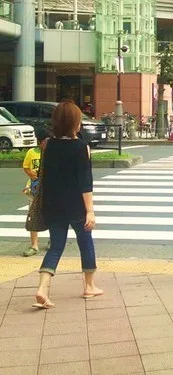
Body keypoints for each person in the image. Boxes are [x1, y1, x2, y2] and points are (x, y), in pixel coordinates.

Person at [33, 101, 101, 309]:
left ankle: (42, 288)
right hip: (76, 206)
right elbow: (84, 181)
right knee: (85, 241)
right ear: (74, 123)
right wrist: (90, 211)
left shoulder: (48, 145)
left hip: (53, 205)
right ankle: (89, 286)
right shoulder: (81, 147)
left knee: (56, 246)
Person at [22, 128, 50, 257]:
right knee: (33, 214)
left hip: (49, 188)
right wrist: (31, 176)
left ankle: (53, 241)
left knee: (52, 215)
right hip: (34, 188)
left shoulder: (52, 153)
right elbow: (26, 167)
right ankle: (34, 245)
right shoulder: (31, 152)